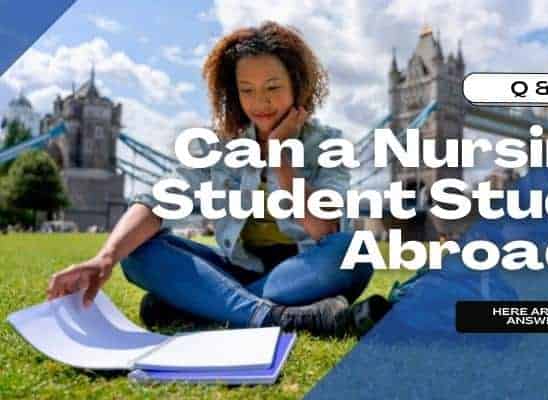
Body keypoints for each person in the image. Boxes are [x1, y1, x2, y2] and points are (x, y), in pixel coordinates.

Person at [46, 21, 391, 337]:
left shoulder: (329, 143)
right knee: (137, 253)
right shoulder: (220, 143)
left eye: (273, 87)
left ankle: (200, 308)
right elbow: (157, 200)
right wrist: (105, 258)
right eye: (247, 90)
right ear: (234, 94)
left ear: (297, 85)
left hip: (303, 271)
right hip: (234, 270)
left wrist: (280, 154)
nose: (261, 102)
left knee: (353, 251)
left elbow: (323, 229)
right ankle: (277, 318)